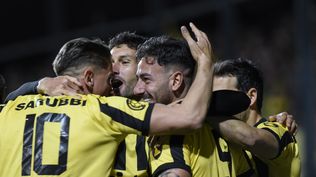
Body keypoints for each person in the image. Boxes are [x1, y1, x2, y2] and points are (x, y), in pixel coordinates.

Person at [0, 24, 216, 177]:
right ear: (89, 77)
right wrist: (205, 62)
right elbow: (190, 116)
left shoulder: (9, 111)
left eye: (125, 62)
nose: (113, 83)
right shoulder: (102, 109)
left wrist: (36, 85)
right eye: (110, 78)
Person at [133, 33, 254, 176]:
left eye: (146, 80)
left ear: (176, 81)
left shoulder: (170, 131)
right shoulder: (225, 128)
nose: (137, 89)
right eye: (137, 79)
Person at [211, 58, 301, 177]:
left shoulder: (280, 128)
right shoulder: (224, 136)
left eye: (223, 96)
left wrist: (204, 114)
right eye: (213, 98)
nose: (217, 104)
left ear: (251, 97)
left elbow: (251, 138)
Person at [108, 32, 150, 176]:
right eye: (111, 62)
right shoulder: (96, 109)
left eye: (124, 62)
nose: (113, 69)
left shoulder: (162, 113)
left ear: (142, 68)